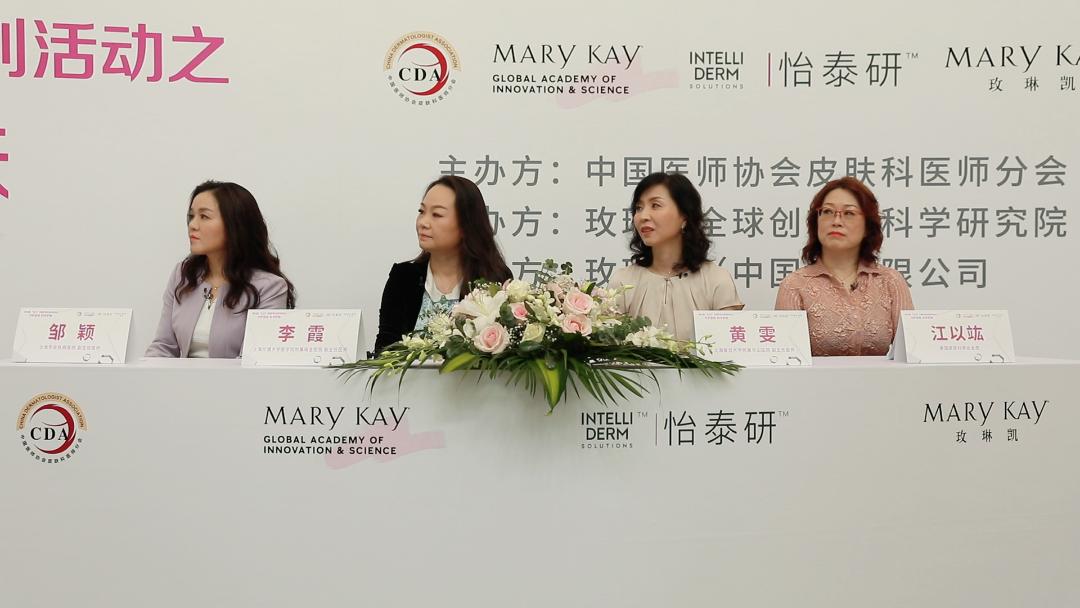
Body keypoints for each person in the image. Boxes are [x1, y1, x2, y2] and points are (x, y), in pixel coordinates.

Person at [145, 181, 295, 358]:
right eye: (191, 216)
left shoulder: (269, 287)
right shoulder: (183, 275)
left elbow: (254, 360)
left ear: (235, 224)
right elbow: (163, 346)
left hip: (236, 377)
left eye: (204, 217)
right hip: (180, 376)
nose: (193, 225)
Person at [775, 176, 914, 356]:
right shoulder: (794, 285)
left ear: (867, 226)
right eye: (827, 211)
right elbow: (786, 360)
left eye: (848, 213)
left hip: (883, 376)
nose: (836, 221)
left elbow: (911, 353)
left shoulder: (890, 281)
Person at [373, 175, 512, 355]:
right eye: (421, 211)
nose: (423, 222)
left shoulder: (493, 280)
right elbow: (384, 350)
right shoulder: (403, 277)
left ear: (466, 225)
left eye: (437, 214)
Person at [609, 172, 743, 341]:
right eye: (639, 208)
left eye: (655, 205)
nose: (643, 216)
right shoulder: (623, 282)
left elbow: (728, 348)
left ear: (684, 216)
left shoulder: (716, 280)